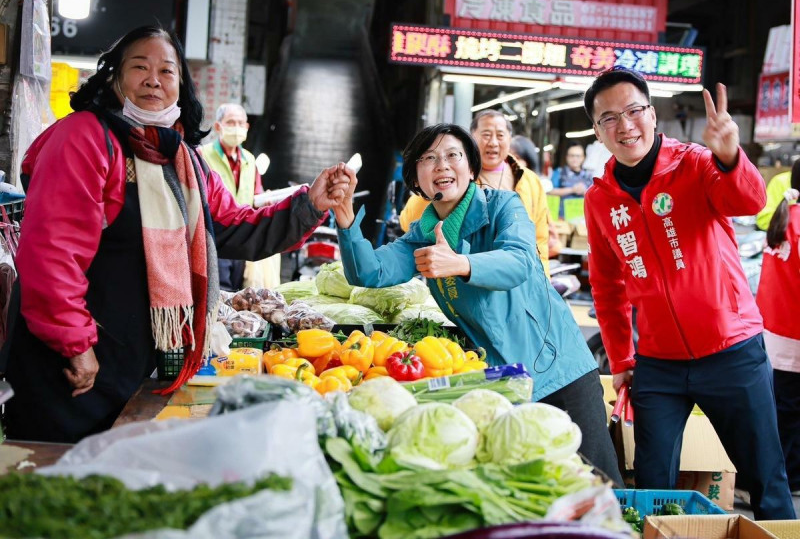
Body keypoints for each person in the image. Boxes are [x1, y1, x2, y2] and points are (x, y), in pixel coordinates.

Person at [1, 26, 349, 443]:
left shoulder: (182, 159)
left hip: (128, 366)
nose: (154, 79)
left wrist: (309, 203)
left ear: (181, 86)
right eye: (139, 67)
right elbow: (51, 254)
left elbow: (234, 226)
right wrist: (75, 344)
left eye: (167, 71)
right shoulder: (84, 138)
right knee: (52, 487)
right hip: (71, 367)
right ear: (114, 77)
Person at [332, 123, 624, 485]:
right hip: (504, 382)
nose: (442, 165)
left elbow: (518, 261)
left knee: (598, 482)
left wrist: (462, 263)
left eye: (453, 155)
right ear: (416, 182)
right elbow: (369, 272)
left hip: (558, 368)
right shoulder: (421, 237)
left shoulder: (505, 205)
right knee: (532, 485)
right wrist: (345, 221)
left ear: (470, 169)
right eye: (429, 159)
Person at [583, 67, 795, 519]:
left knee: (766, 479)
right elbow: (606, 285)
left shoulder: (696, 163)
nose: (625, 126)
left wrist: (731, 156)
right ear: (597, 132)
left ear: (652, 115)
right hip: (658, 365)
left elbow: (750, 202)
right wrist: (621, 359)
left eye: (634, 111)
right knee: (652, 483)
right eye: (609, 118)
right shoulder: (599, 198)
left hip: (732, 350)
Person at [400, 110, 551, 276]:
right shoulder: (454, 175)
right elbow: (409, 223)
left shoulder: (529, 180)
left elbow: (541, 237)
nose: (493, 142)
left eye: (500, 135)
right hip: (461, 277)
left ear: (510, 138)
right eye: (486, 135)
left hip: (518, 274)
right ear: (472, 138)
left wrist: (544, 277)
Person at [200, 103, 281, 290]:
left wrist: (265, 201)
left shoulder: (250, 160)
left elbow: (256, 195)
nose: (236, 127)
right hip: (214, 237)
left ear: (246, 127)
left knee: (239, 290)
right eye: (231, 122)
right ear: (218, 126)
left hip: (241, 237)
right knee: (219, 290)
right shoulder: (202, 155)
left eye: (240, 123)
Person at [756, 158, 800, 496]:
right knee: (791, 411)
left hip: (777, 333)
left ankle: (783, 475)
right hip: (794, 334)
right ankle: (790, 479)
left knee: (784, 408)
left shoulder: (784, 218)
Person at [549, 142, 594, 219]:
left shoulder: (589, 175)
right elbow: (550, 191)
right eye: (572, 155)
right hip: (562, 218)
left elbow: (595, 196)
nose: (575, 159)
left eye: (578, 156)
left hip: (583, 218)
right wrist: (572, 190)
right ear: (567, 157)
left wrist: (584, 192)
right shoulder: (559, 173)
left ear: (583, 157)